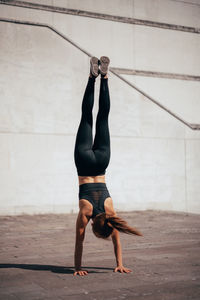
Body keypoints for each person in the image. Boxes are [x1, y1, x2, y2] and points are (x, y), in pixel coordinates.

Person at [73, 56, 142, 276]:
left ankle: (104, 77)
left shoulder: (112, 215)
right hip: (84, 162)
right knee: (86, 118)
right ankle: (92, 77)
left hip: (102, 162)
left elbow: (117, 242)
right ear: (94, 225)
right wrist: (78, 267)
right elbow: (79, 243)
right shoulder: (86, 213)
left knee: (103, 118)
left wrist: (120, 262)